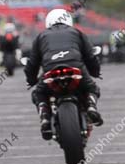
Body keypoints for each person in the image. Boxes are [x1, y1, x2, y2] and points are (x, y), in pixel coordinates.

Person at [24, 9, 103, 140]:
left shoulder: (41, 36)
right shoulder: (77, 32)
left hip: (50, 69)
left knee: (39, 93)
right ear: (68, 20)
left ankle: (44, 117)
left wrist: (31, 80)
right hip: (75, 66)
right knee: (91, 88)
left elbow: (32, 63)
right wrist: (95, 72)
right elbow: (90, 56)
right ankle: (91, 106)